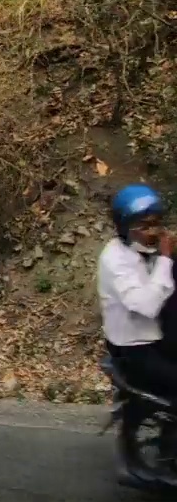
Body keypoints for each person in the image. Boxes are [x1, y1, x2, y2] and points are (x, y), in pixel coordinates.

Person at [100, 183, 177, 482]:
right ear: (124, 227)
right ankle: (167, 459)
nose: (152, 232)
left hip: (156, 336)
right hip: (135, 349)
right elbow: (145, 304)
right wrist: (167, 260)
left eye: (156, 224)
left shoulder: (144, 251)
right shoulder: (115, 260)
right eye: (143, 226)